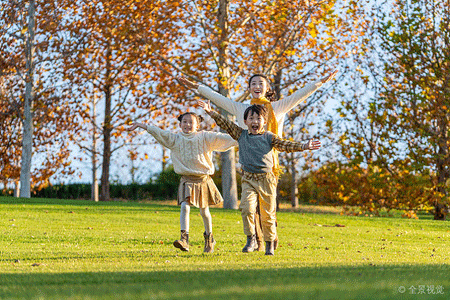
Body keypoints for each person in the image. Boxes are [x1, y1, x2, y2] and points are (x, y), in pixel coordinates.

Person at [179, 70, 337, 249]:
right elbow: (217, 98)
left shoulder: (277, 107)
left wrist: (320, 82)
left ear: (267, 88)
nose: (257, 87)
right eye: (253, 84)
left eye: (261, 84)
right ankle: (257, 241)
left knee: (265, 208)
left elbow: (299, 95)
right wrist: (196, 86)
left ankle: (270, 236)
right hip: (248, 162)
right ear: (249, 88)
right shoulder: (241, 109)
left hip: (269, 164)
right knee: (249, 206)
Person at [198, 100, 321, 255]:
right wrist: (210, 111)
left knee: (267, 214)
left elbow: (285, 145)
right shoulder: (240, 134)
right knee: (247, 209)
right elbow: (226, 123)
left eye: (258, 119)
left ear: (264, 121)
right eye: (251, 119)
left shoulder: (269, 137)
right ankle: (251, 238)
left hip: (267, 180)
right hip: (248, 178)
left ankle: (269, 243)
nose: (255, 122)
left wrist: (304, 146)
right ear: (245, 122)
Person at [128, 112, 237, 253]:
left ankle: (209, 238)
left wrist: (243, 136)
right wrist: (142, 126)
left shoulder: (205, 137)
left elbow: (225, 139)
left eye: (191, 122)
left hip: (203, 179)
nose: (187, 125)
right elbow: (160, 132)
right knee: (185, 207)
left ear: (197, 125)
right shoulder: (175, 139)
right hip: (186, 180)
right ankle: (184, 239)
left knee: (204, 212)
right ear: (180, 124)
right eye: (184, 122)